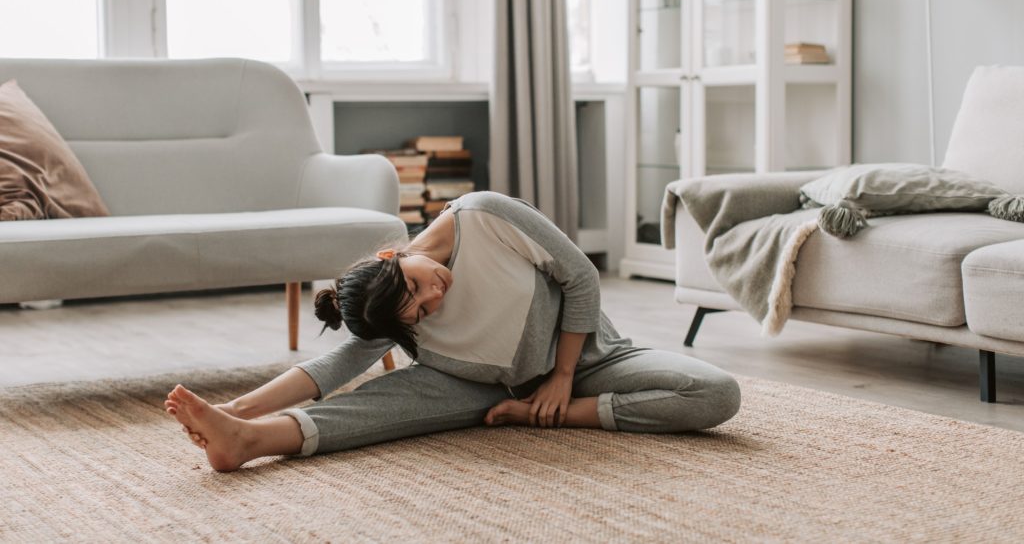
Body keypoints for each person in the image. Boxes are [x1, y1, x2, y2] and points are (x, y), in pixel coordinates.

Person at [165, 191, 740, 472]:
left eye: (416, 285)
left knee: (716, 393)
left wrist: (562, 381)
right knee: (371, 409)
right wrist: (237, 407)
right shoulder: (389, 314)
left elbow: (582, 278)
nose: (433, 295)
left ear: (394, 253)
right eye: (420, 313)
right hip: (471, 385)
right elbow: (336, 366)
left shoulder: (485, 215)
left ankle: (551, 414)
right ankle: (247, 441)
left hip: (586, 360)